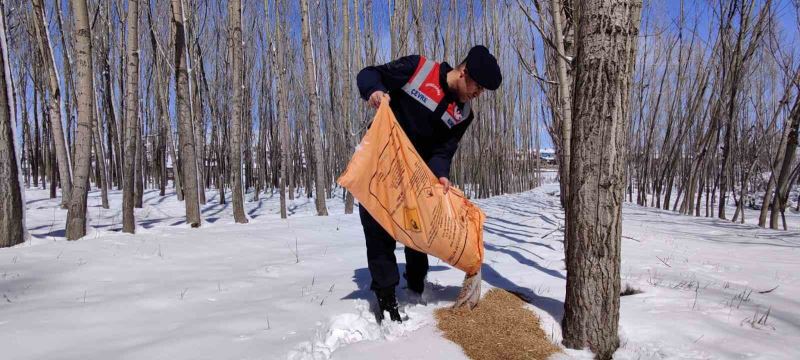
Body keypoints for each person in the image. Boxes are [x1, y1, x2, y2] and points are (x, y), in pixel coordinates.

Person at [356, 45, 502, 322]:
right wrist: (374, 90)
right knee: (378, 229)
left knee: (419, 229)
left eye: (483, 91)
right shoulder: (419, 70)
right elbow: (369, 73)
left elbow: (444, 149)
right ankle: (386, 298)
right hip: (382, 164)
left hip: (418, 175)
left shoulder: (464, 113)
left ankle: (416, 285)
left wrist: (441, 173)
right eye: (478, 87)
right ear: (463, 72)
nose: (478, 94)